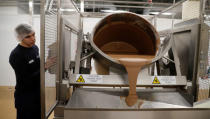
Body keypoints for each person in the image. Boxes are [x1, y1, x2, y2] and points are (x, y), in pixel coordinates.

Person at [9, 24, 55, 119]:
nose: (33, 38)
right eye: (28, 37)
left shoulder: (35, 48)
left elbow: (37, 67)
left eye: (33, 35)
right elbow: (26, 79)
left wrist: (46, 64)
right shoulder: (16, 55)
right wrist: (45, 67)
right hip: (25, 97)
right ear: (20, 38)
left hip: (37, 94)